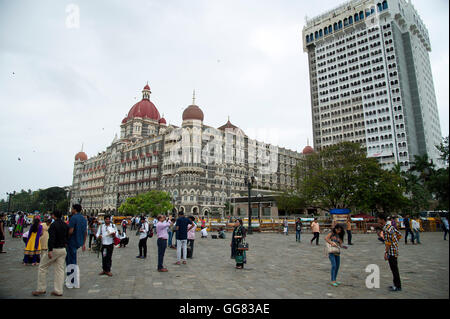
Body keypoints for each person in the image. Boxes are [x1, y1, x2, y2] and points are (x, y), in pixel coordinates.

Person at [32, 210, 68, 297]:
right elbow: (68, 236)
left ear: (54, 216)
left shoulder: (53, 225)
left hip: (55, 249)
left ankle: (41, 289)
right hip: (63, 249)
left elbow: (51, 238)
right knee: (59, 270)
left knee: (42, 267)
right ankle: (58, 290)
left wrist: (50, 250)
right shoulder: (65, 225)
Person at [378, 213, 402, 292]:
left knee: (394, 269)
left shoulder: (385, 229)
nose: (378, 221)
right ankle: (396, 284)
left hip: (391, 251)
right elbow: (399, 235)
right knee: (395, 268)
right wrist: (395, 243)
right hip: (395, 249)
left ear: (382, 220)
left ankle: (398, 286)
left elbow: (388, 243)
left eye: (378, 219)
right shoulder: (390, 226)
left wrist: (386, 253)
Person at [66, 204, 87, 289]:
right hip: (79, 241)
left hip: (72, 241)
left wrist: (65, 238)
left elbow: (71, 231)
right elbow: (85, 232)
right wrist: (84, 243)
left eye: (72, 208)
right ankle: (73, 280)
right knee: (73, 260)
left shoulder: (73, 218)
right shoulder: (83, 218)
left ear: (74, 209)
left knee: (70, 261)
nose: (71, 210)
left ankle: (71, 280)